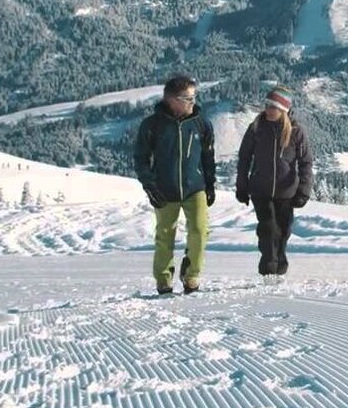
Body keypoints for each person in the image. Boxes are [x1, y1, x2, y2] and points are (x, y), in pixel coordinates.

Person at [134, 75, 216, 295]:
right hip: (164, 188)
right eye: (188, 98)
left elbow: (208, 156)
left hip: (195, 187)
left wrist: (210, 184)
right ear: (172, 100)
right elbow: (141, 159)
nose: (193, 101)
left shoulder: (201, 123)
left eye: (193, 96)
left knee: (200, 230)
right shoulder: (152, 126)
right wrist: (150, 186)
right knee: (165, 234)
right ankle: (164, 280)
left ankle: (191, 277)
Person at [236, 86, 313, 278]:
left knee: (283, 231)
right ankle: (269, 269)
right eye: (267, 105)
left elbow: (306, 162)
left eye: (273, 107)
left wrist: (304, 190)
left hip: (286, 192)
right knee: (268, 228)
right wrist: (242, 186)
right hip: (260, 189)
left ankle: (280, 265)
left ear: (283, 110)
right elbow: (244, 157)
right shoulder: (256, 128)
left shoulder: (296, 131)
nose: (268, 110)